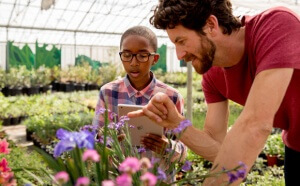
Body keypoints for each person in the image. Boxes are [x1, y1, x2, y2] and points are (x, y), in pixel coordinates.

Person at [127, 0, 300, 185]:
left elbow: (255, 124)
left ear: (211, 25)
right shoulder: (212, 75)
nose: (179, 55)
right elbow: (217, 148)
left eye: (181, 41)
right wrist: (176, 123)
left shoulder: (275, 25)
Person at [92, 25, 187, 182]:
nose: (134, 63)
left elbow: (183, 152)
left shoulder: (171, 97)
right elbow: (95, 141)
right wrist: (108, 139)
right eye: (127, 55)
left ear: (154, 59)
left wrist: (166, 146)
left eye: (142, 56)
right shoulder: (108, 93)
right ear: (121, 56)